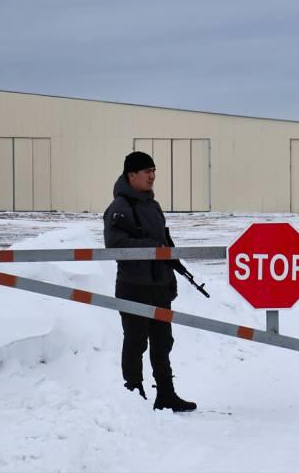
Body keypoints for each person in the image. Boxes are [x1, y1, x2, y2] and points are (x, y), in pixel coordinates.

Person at [103, 151, 196, 412]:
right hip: (134, 284)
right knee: (135, 341)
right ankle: (134, 395)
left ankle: (166, 393)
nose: (152, 176)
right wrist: (152, 247)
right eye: (147, 171)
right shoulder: (120, 207)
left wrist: (170, 277)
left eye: (154, 170)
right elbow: (115, 244)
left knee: (162, 340)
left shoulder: (152, 206)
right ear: (131, 175)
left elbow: (165, 244)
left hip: (158, 284)